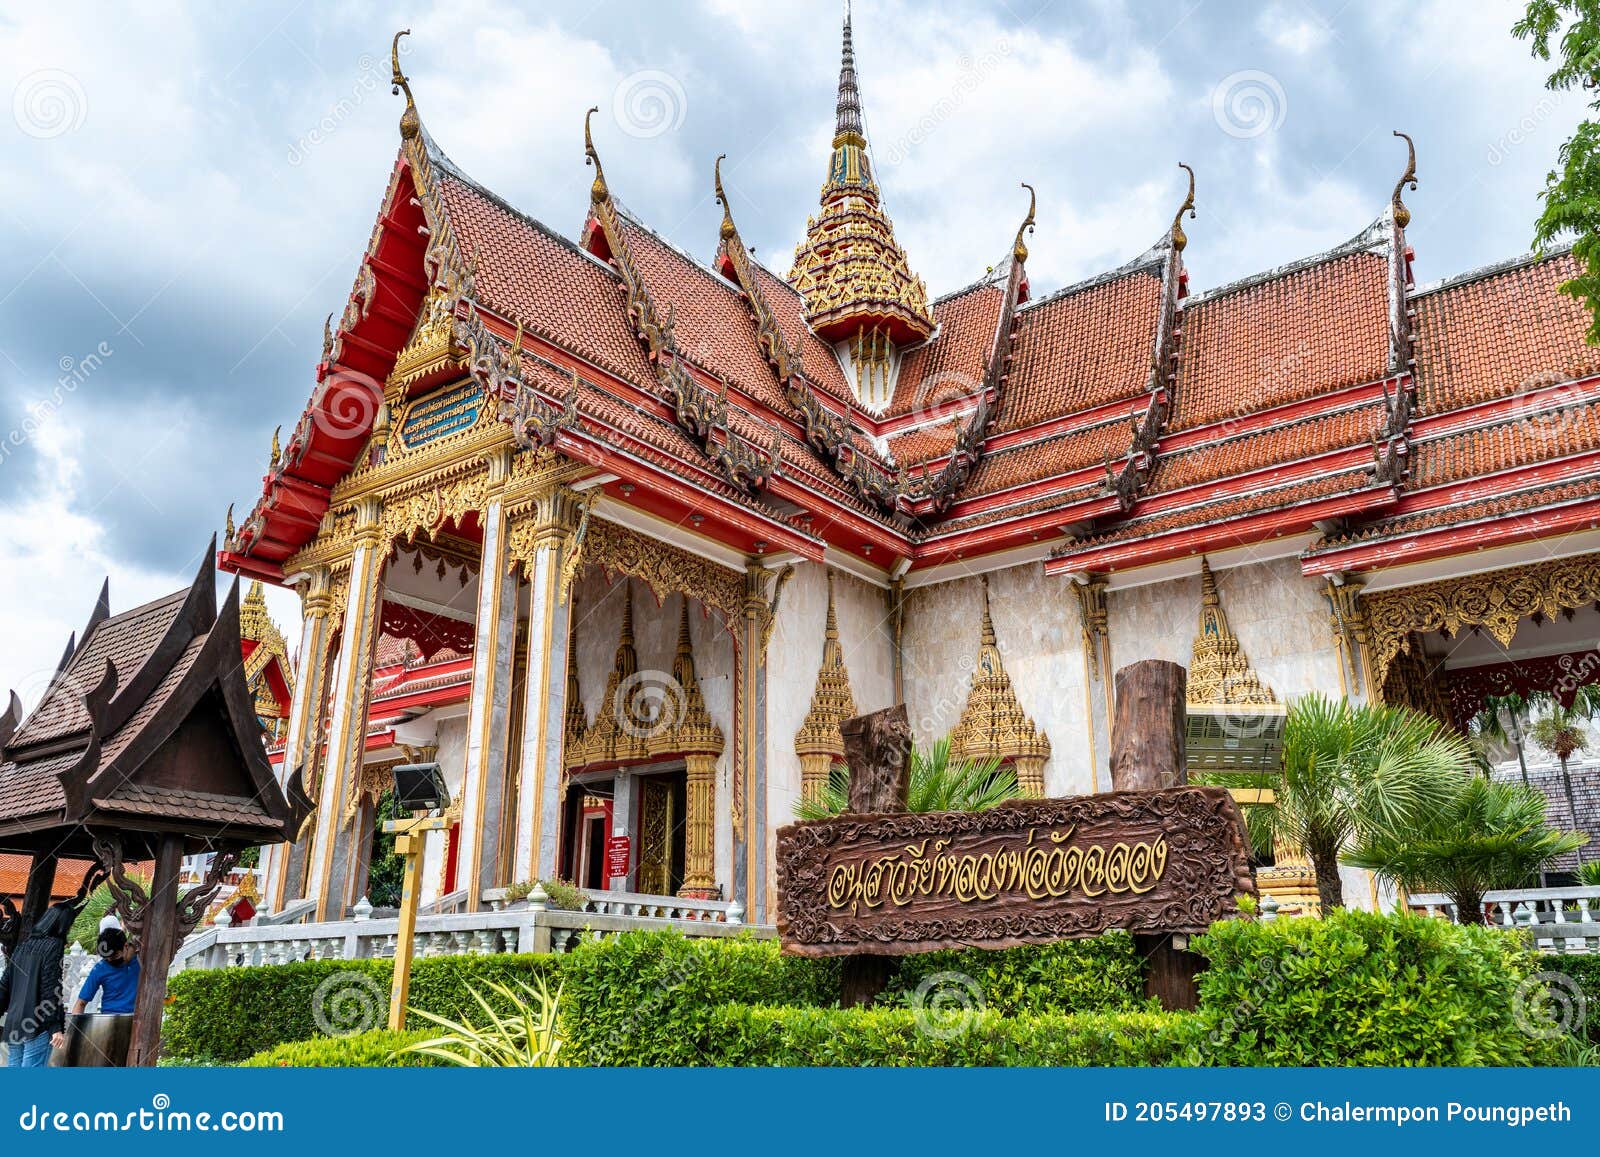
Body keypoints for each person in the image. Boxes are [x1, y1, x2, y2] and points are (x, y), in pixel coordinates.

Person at [0, 903, 74, 1068]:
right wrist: (55, 1027)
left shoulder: (22, 946)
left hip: (15, 1022)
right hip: (37, 1022)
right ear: (62, 925)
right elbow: (50, 987)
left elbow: (4, 985)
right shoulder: (54, 945)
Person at [72, 928, 139, 1016]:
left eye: (114, 956)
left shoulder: (141, 961)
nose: (110, 960)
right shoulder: (100, 968)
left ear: (126, 946)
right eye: (107, 958)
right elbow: (81, 1003)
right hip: (110, 1020)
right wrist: (74, 1027)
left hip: (139, 1021)